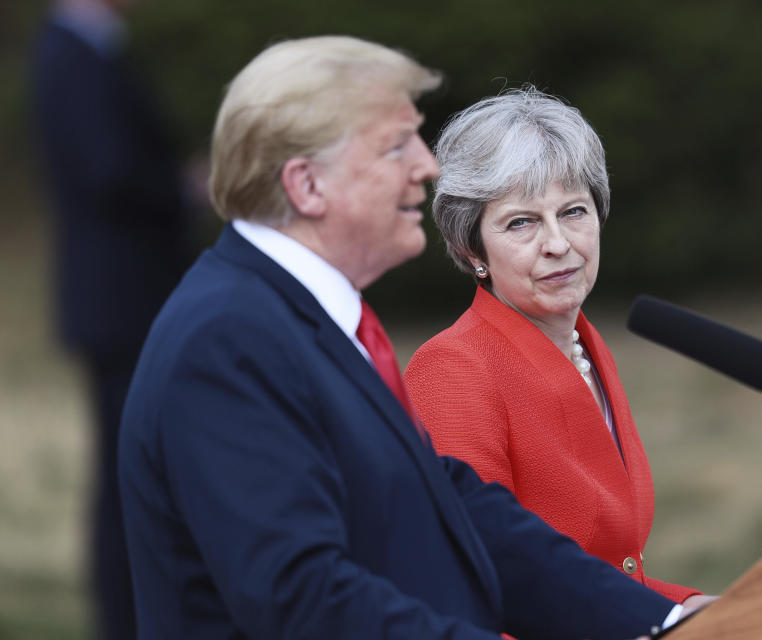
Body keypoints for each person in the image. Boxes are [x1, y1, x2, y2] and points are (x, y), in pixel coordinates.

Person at [117, 36, 707, 638]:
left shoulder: (302, 316)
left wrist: (669, 617)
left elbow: (465, 517)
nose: (427, 167)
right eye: (396, 147)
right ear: (307, 185)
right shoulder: (228, 339)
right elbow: (302, 598)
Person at [403, 87, 705, 607]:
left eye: (573, 212)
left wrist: (693, 608)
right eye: (521, 222)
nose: (558, 243)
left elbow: (610, 570)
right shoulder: (452, 370)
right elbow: (478, 574)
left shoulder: (586, 345)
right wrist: (666, 620)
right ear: (470, 248)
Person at [30, 0, 194, 637]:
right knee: (130, 474)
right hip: (121, 300)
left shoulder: (87, 48)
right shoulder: (73, 53)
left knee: (134, 468)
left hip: (118, 298)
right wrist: (182, 189)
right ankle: (125, 619)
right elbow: (109, 172)